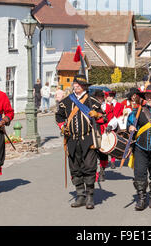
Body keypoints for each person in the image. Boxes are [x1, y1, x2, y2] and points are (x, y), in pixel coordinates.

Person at [55, 75, 105, 209]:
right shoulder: (66, 101)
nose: (75, 85)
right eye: (75, 83)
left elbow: (103, 117)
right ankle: (80, 195)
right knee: (75, 168)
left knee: (89, 168)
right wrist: (62, 127)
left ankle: (90, 196)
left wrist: (97, 115)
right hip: (71, 139)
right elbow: (59, 116)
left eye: (78, 84)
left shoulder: (92, 101)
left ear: (84, 86)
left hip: (88, 139)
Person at [102, 89, 123, 169]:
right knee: (105, 145)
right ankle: (103, 164)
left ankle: (113, 161)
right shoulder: (103, 105)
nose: (110, 97)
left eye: (111, 96)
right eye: (108, 96)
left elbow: (120, 115)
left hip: (115, 126)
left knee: (113, 144)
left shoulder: (119, 105)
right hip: (104, 126)